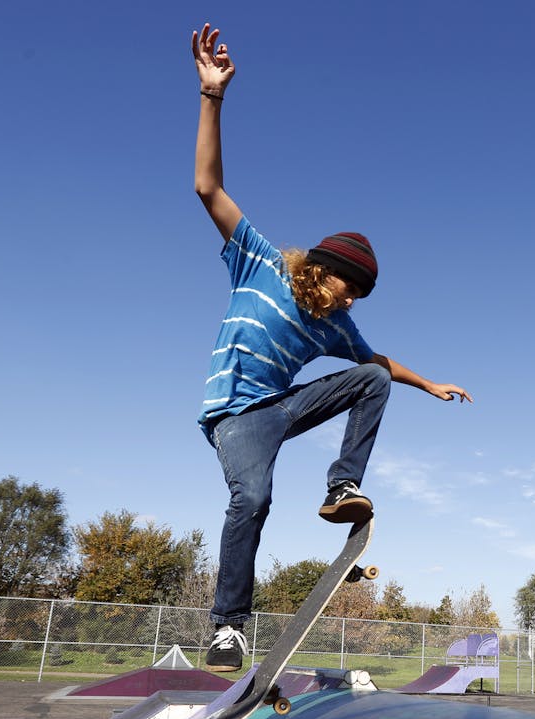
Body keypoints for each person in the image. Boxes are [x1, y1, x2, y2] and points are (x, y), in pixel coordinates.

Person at [190, 23, 472, 672]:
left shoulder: (337, 328)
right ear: (321, 268)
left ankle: (341, 486)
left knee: (370, 377)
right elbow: (207, 188)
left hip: (282, 408)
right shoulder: (258, 262)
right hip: (236, 420)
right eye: (350, 289)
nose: (350, 304)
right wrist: (213, 96)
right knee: (252, 500)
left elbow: (378, 365)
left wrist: (428, 384)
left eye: (360, 299)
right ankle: (229, 627)